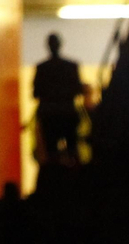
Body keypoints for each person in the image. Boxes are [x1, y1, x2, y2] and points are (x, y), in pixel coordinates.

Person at [32, 34, 85, 168]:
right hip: (67, 114)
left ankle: (54, 181)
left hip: (49, 115)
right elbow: (78, 90)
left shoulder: (42, 68)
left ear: (48, 46)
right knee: (72, 151)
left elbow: (35, 93)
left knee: (51, 154)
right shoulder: (71, 66)